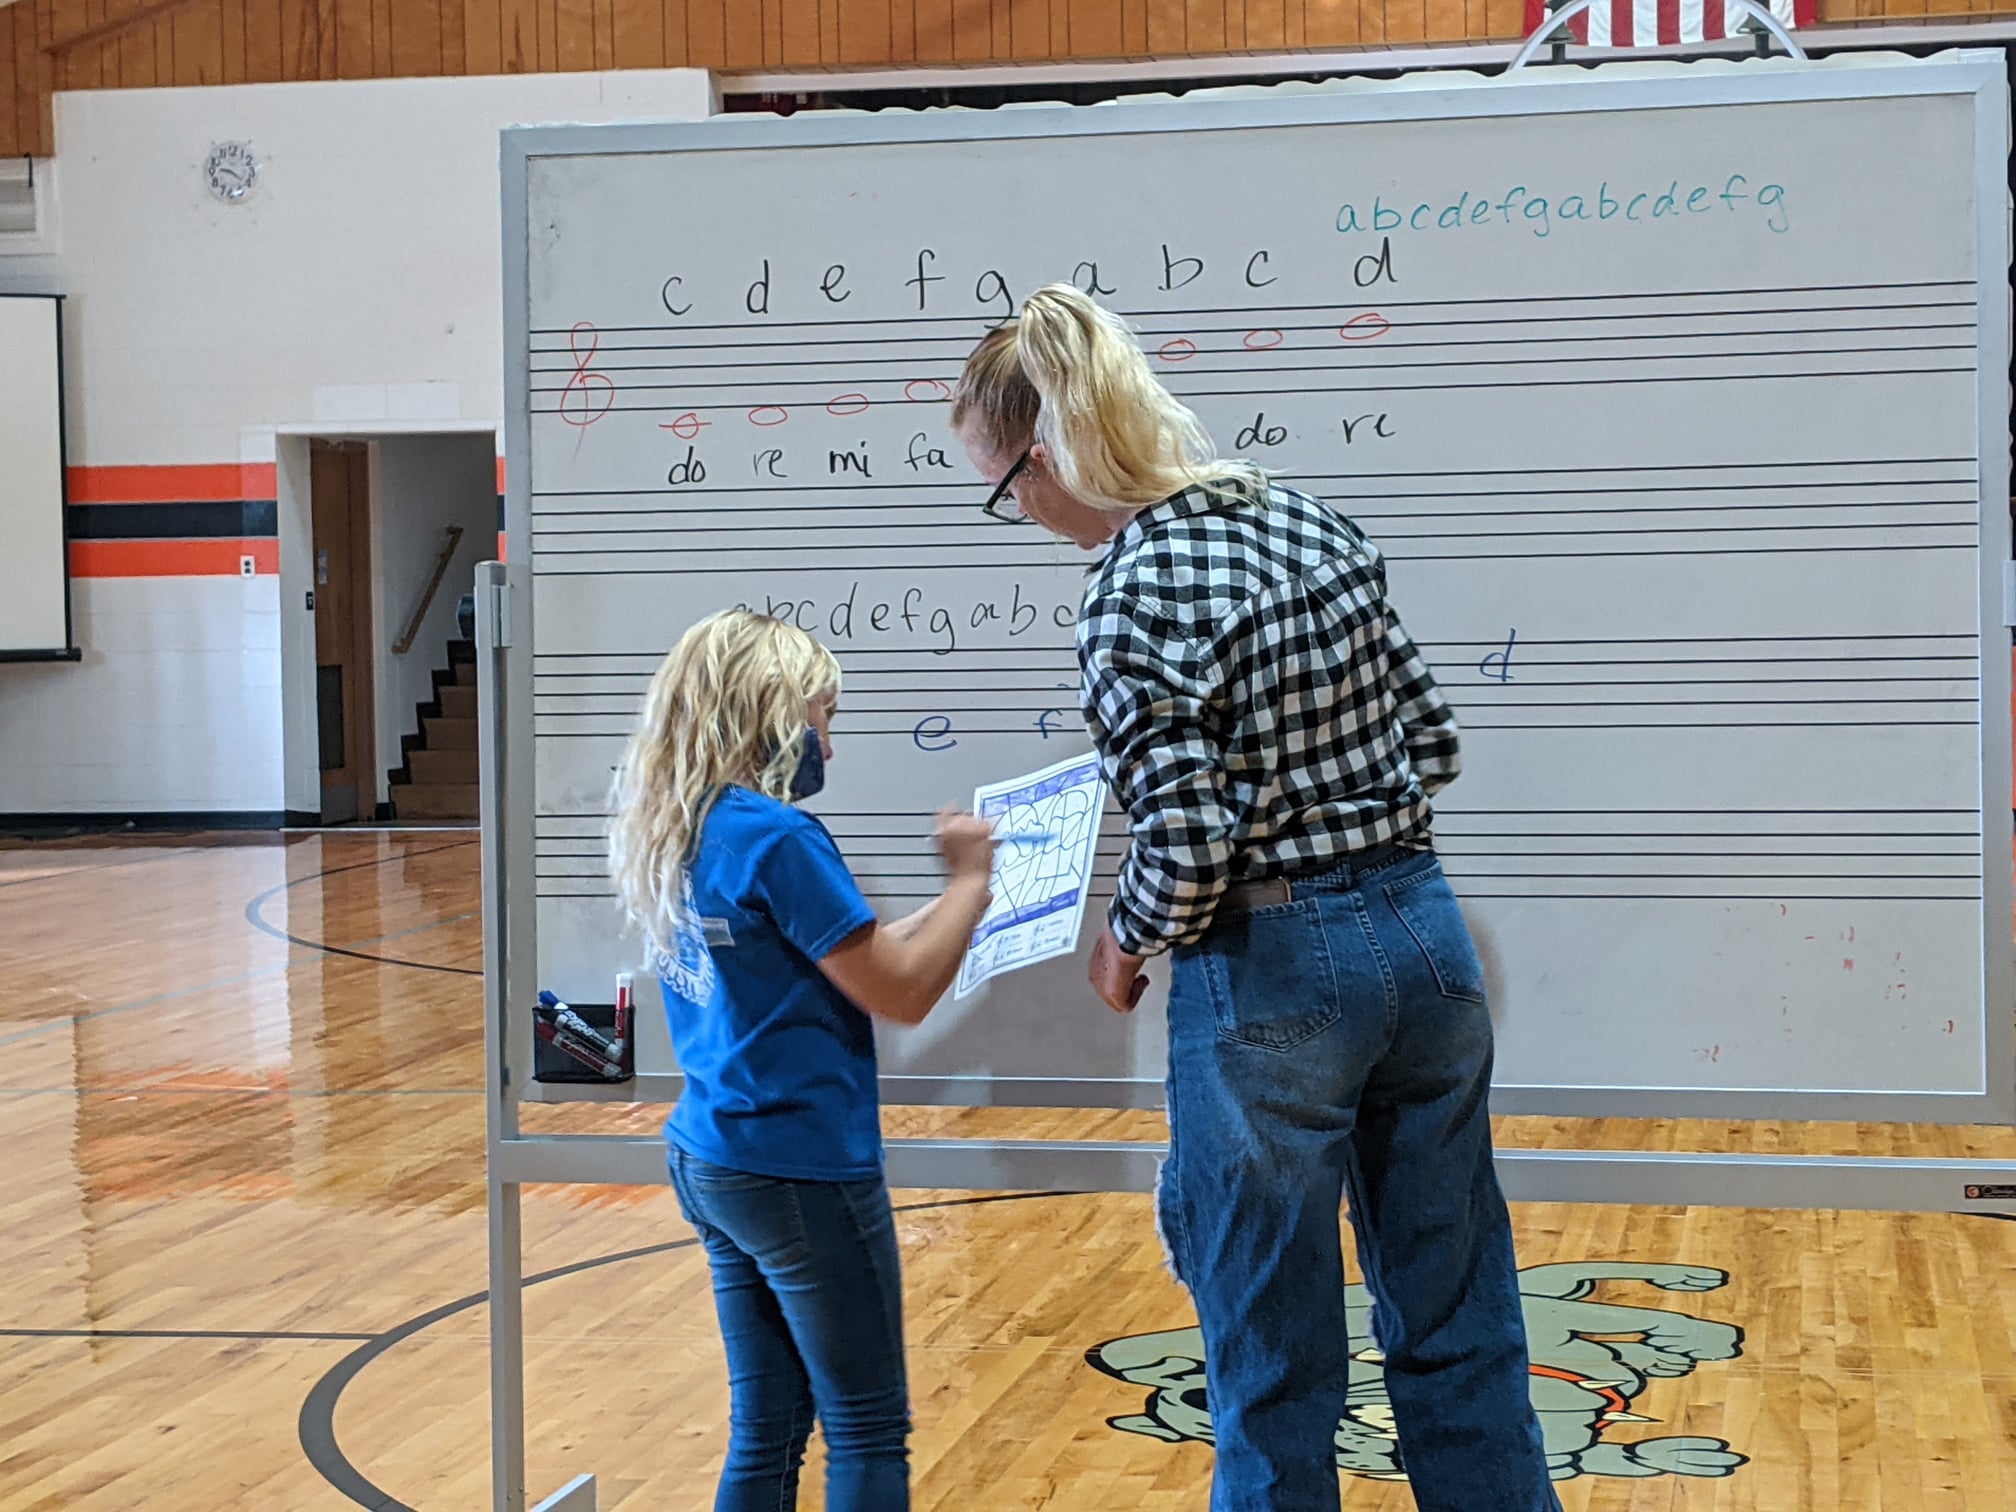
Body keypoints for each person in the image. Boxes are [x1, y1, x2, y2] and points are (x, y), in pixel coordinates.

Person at [951, 285, 1561, 1512]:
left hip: (1274, 973)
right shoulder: (1307, 519)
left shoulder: (1127, 596)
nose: (1018, 511)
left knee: (1271, 1369)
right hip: (1425, 940)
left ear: (1055, 445)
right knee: (1460, 1324)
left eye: (1008, 483)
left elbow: (1188, 844)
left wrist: (1125, 945)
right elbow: (1431, 742)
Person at [606, 608, 997, 1512]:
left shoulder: (688, 821)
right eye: (823, 717)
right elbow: (896, 989)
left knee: (769, 1430)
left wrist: (930, 921)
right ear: (771, 714)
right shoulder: (778, 836)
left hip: (716, 1153)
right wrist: (971, 886)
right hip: (800, 1164)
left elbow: (830, 956)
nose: (829, 742)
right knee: (866, 1428)